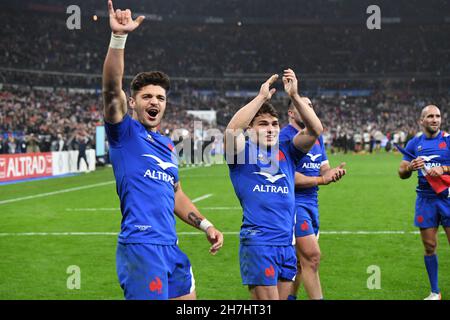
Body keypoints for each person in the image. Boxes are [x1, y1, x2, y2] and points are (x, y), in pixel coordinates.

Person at [102, 0, 223, 300]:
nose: (154, 102)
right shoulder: (124, 133)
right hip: (142, 247)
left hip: (170, 247)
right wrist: (119, 38)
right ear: (133, 103)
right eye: (146, 96)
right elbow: (110, 87)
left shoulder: (168, 146)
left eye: (160, 97)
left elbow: (176, 193)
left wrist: (206, 225)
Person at [225, 69, 323, 300]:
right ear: (250, 129)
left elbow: (316, 130)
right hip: (259, 241)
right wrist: (261, 98)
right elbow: (231, 132)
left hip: (285, 243)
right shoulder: (241, 154)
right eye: (262, 124)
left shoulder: (288, 152)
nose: (270, 129)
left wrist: (296, 96)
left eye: (274, 124)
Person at [279, 99, 346, 300]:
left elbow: (323, 166)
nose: (308, 110)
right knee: (312, 257)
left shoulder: (317, 137)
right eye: (302, 106)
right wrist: (320, 179)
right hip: (293, 205)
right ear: (291, 112)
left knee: (301, 263)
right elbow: (288, 176)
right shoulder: (284, 137)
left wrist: (330, 172)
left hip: (312, 204)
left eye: (310, 106)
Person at [398, 105, 450, 300]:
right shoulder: (414, 143)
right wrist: (410, 167)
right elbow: (401, 172)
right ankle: (435, 292)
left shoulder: (448, 140)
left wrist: (444, 169)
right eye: (430, 116)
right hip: (425, 200)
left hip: (447, 198)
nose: (435, 119)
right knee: (429, 246)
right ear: (422, 121)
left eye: (437, 116)